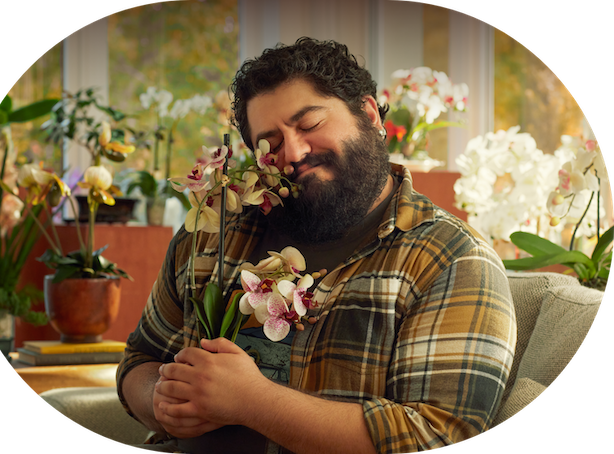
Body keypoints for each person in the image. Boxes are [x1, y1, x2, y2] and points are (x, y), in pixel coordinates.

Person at [116, 37, 516, 454]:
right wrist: (160, 402)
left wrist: (252, 403)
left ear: (369, 113)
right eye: (269, 143)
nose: (294, 152)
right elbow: (140, 359)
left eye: (309, 125)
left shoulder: (451, 259)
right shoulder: (213, 234)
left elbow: (436, 436)